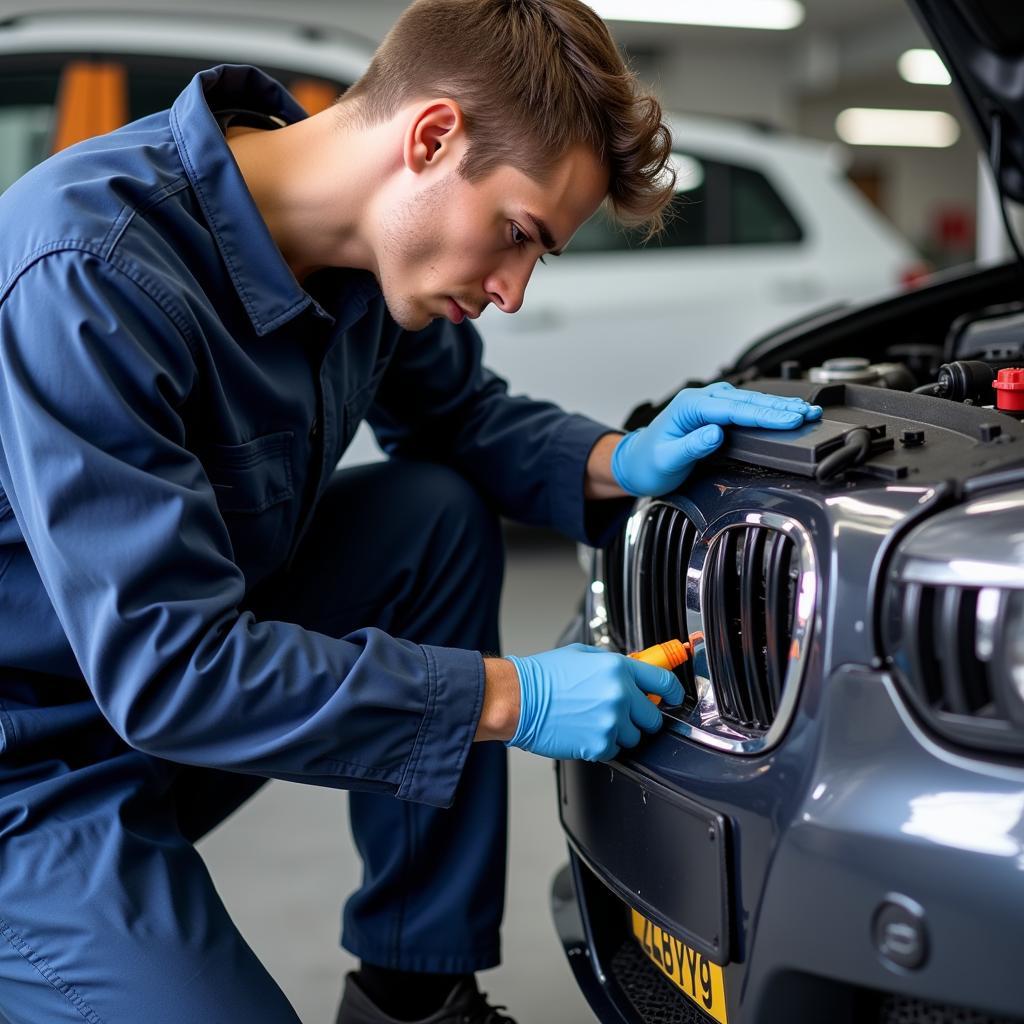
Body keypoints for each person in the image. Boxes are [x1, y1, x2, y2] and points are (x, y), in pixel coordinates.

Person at [0, 1, 821, 1022]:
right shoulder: (91, 270)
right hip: (29, 764)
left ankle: (412, 992)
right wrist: (510, 694)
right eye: (515, 235)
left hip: (145, 699)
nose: (513, 289)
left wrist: (628, 458)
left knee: (428, 514)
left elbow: (460, 420)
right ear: (430, 138)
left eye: (540, 256)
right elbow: (170, 669)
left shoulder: (360, 253)